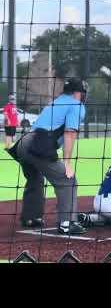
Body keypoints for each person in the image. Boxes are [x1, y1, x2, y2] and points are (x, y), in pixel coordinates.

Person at [7, 78, 89, 234]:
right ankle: (66, 223)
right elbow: (70, 134)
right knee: (67, 179)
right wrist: (67, 162)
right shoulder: (76, 105)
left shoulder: (56, 102)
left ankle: (31, 217)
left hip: (23, 143)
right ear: (78, 93)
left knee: (35, 178)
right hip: (37, 144)